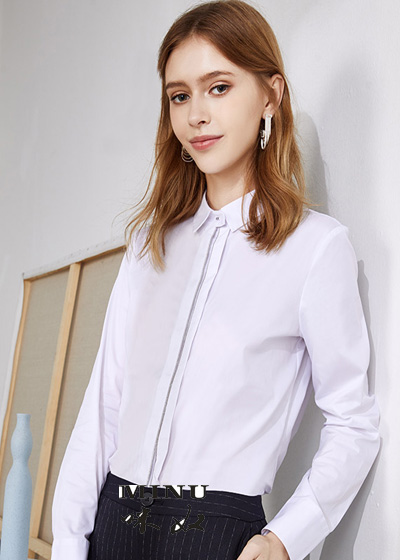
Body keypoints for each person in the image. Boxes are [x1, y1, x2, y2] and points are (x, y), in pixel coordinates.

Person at [51, 1, 381, 559]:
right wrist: (67, 542)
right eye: (179, 96)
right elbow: (103, 409)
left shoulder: (315, 248)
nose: (196, 115)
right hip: (112, 524)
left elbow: (354, 422)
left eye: (219, 88)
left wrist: (285, 538)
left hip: (218, 537)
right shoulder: (148, 245)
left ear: (270, 95)